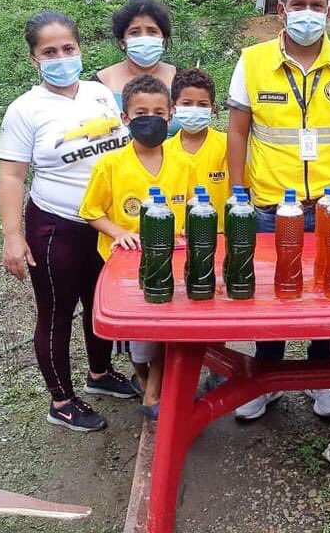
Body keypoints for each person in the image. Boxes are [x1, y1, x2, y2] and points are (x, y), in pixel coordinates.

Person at [226, 0, 330, 421]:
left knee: (328, 291)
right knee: (272, 295)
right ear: (281, 10)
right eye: (298, 4)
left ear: (328, 13)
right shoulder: (252, 61)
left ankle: (321, 375)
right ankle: (266, 379)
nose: (307, 13)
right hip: (270, 204)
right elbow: (237, 131)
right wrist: (237, 192)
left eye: (316, 5)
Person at [0, 11, 137, 434]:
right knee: (57, 312)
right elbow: (11, 176)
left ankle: (100, 374)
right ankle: (60, 401)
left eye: (68, 48)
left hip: (106, 224)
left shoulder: (100, 94)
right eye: (50, 52)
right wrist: (12, 236)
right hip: (57, 227)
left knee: (101, 302)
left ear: (80, 49)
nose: (61, 58)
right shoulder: (25, 110)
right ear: (34, 59)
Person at [79, 74, 195, 420]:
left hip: (171, 262)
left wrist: (186, 231)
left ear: (170, 115)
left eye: (159, 112)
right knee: (139, 341)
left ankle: (155, 391)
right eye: (141, 113)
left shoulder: (183, 163)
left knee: (166, 328)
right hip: (126, 267)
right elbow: (91, 211)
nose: (151, 119)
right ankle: (144, 377)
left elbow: (191, 205)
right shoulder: (111, 165)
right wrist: (118, 232)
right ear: (125, 118)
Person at [94, 0, 181, 137]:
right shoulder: (99, 84)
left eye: (152, 31)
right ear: (122, 42)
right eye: (135, 32)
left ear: (163, 39)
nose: (144, 38)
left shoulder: (181, 79)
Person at [171, 68, 229, 232]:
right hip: (179, 239)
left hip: (220, 236)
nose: (194, 109)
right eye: (187, 104)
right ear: (173, 108)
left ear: (213, 108)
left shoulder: (228, 145)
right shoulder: (164, 151)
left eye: (202, 104)